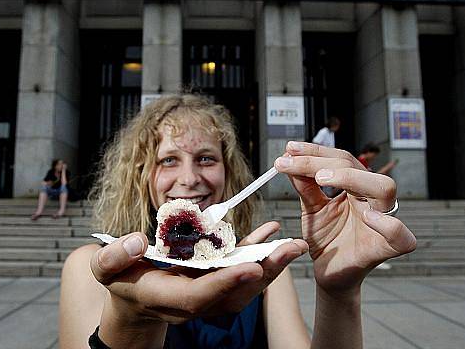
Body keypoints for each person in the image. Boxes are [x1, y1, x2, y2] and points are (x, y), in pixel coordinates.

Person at [59, 95, 416, 349]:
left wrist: (339, 291)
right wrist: (133, 318)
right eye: (168, 160)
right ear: (141, 177)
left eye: (205, 158)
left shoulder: (262, 269)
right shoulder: (89, 267)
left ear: (229, 173)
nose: (189, 178)